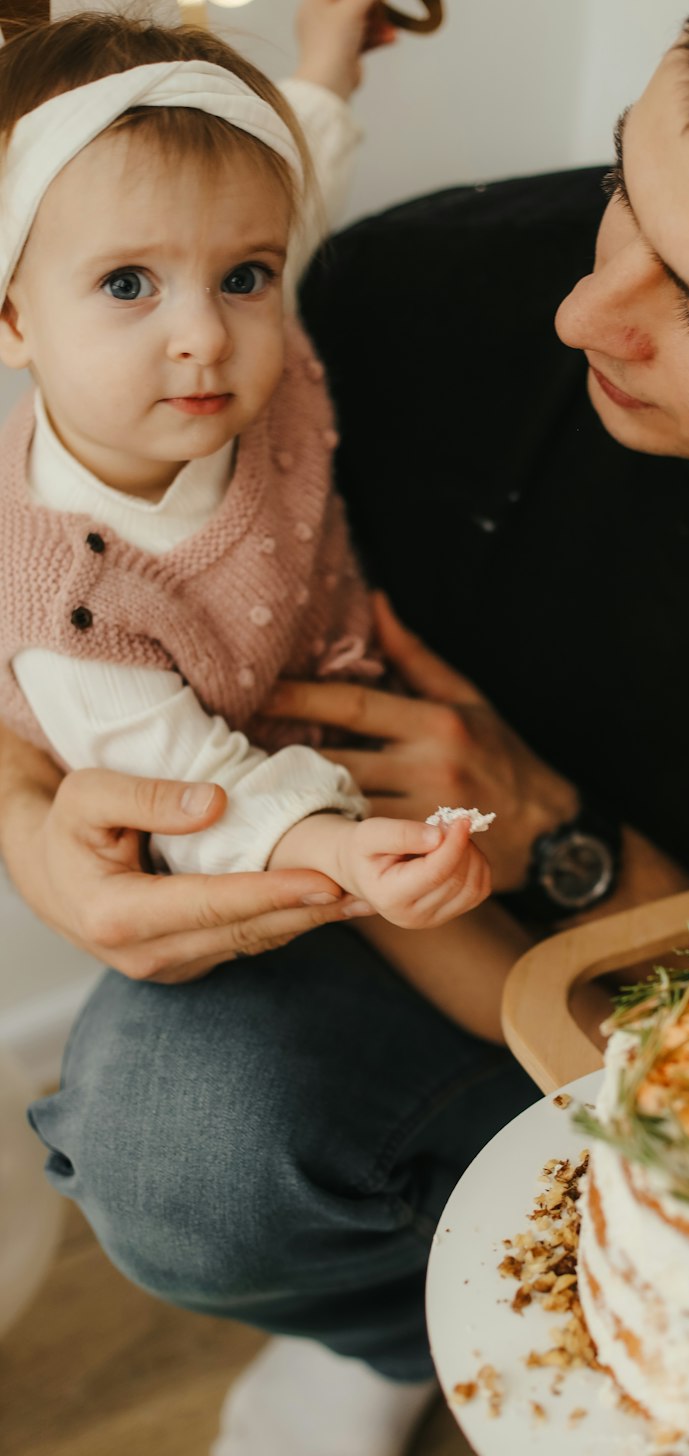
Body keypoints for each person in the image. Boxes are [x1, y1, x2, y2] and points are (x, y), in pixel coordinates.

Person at [5, 0, 689, 1456]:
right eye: (621, 191)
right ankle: (401, 1338)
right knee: (178, 1135)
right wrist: (23, 802)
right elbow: (84, 585)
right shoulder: (417, 294)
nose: (581, 311)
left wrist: (560, 836)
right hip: (381, 934)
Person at [0, 1, 549, 1049]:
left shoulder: (251, 328)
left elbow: (305, 183)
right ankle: (601, 1085)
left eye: (243, 275)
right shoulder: (57, 599)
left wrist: (326, 65)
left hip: (347, 681)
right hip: (235, 795)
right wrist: (343, 853)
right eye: (128, 284)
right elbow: (200, 789)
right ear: (14, 317)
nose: (204, 334)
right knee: (482, 970)